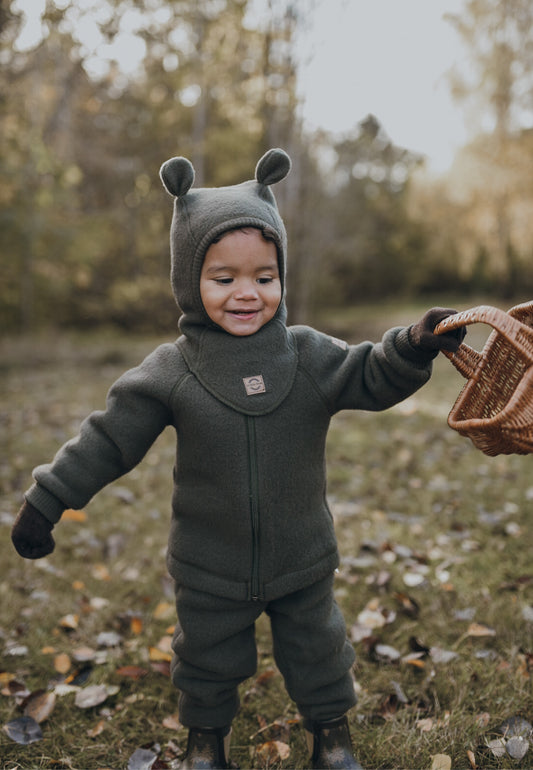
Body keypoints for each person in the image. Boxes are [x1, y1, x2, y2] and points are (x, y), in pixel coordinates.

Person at [11, 148, 465, 770]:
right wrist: (48, 498)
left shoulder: (307, 355)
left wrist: (413, 346)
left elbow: (372, 374)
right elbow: (109, 437)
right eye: (224, 279)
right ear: (189, 280)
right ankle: (206, 743)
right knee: (205, 657)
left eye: (264, 277)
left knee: (319, 649)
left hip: (301, 553)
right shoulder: (173, 370)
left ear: (281, 276)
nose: (247, 294)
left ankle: (332, 736)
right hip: (209, 560)